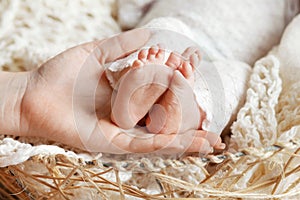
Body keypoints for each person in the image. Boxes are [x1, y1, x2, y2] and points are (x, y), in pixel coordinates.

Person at [0, 29, 222, 154]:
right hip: (220, 41)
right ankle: (183, 110)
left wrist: (24, 96)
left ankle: (138, 90)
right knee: (230, 79)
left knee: (161, 43)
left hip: (181, 26)